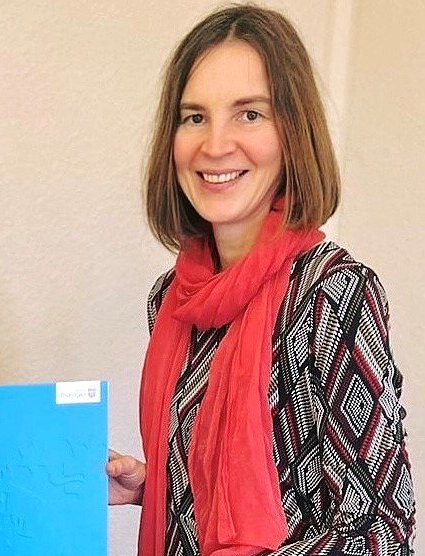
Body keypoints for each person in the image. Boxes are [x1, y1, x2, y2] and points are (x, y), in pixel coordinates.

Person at [107, 5, 415, 555]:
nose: (215, 145)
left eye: (249, 114)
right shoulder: (172, 301)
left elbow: (382, 533)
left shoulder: (332, 294)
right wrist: (156, 489)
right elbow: (248, 492)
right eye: (194, 117)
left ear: (293, 133)